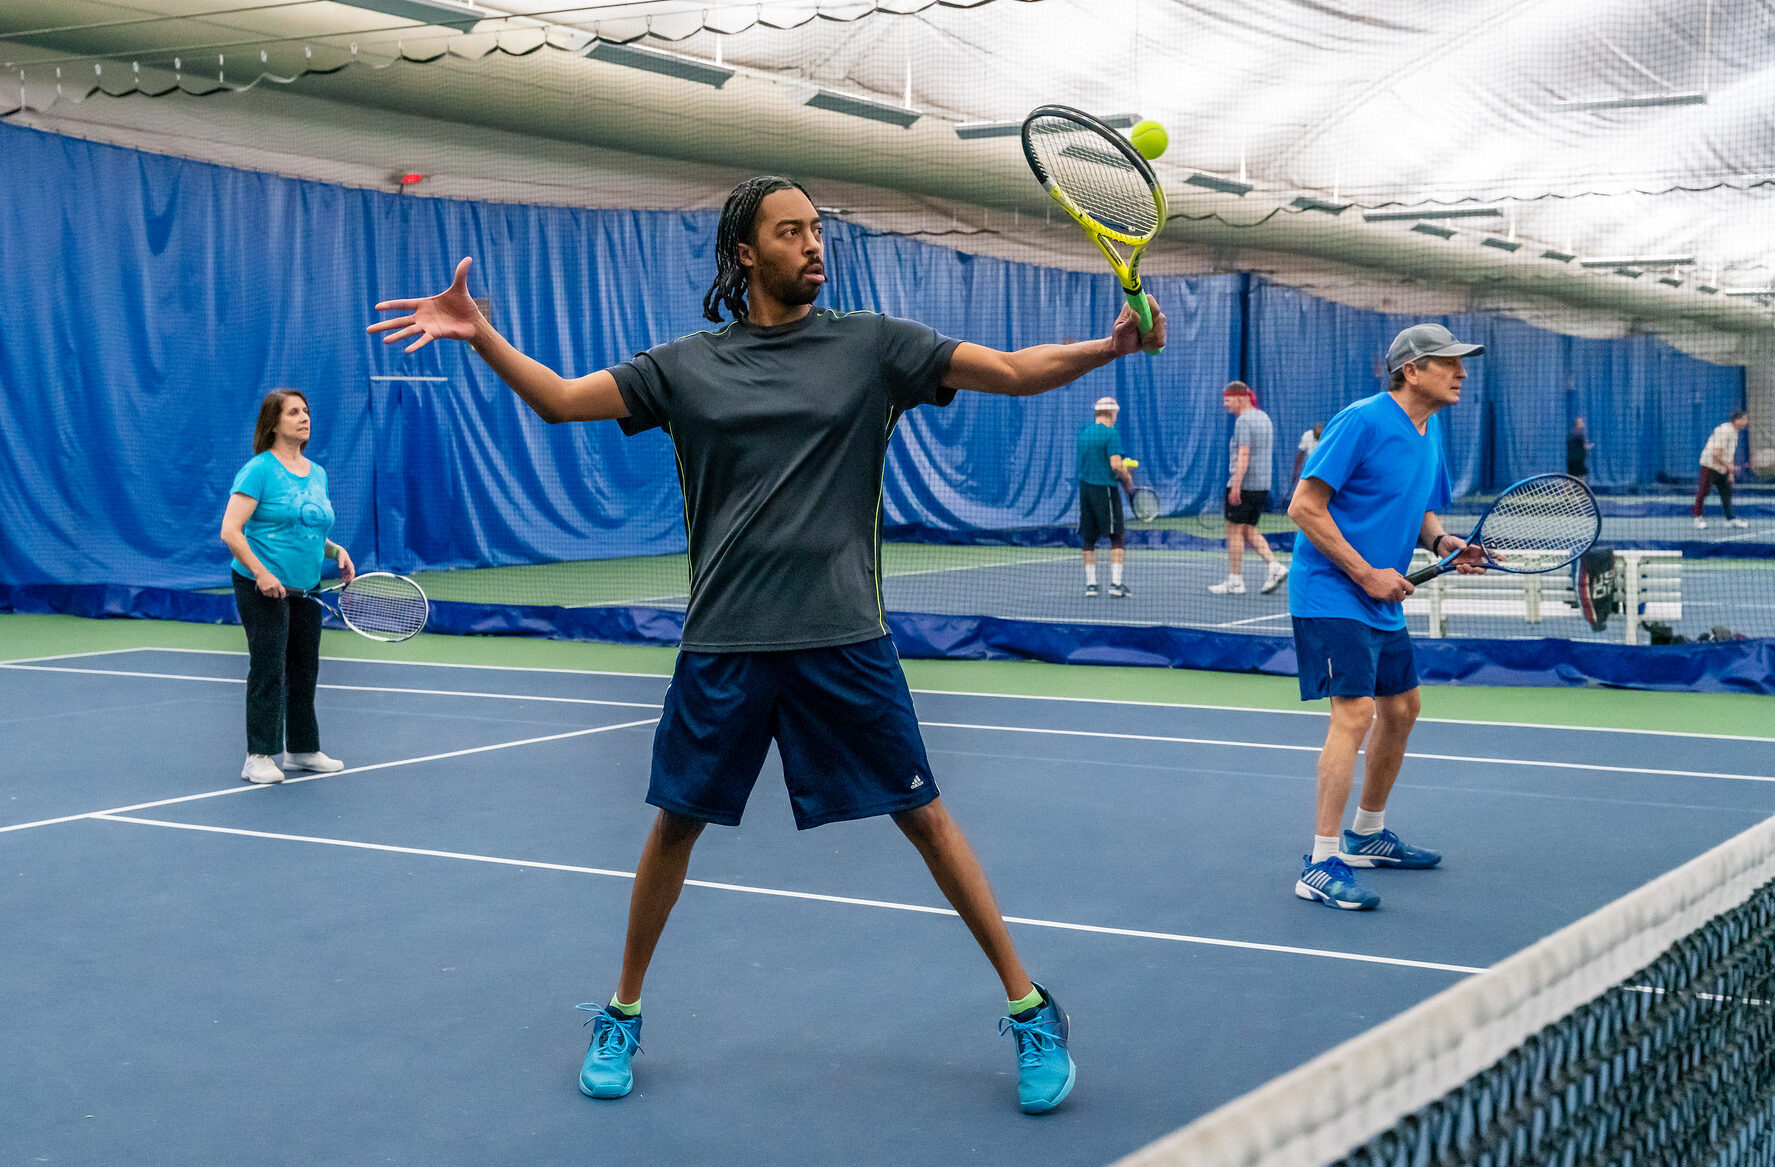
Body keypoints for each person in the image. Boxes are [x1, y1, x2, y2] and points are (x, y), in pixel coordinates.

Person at [368, 176, 1165, 1113]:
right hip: (726, 643)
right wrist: (484, 333)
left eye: (818, 231)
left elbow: (1014, 369)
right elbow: (558, 400)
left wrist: (1108, 346)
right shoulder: (685, 366)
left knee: (925, 817)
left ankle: (1030, 1009)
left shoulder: (873, 348)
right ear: (745, 253)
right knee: (675, 822)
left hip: (843, 637)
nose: (813, 246)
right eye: (791, 233)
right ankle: (620, 1013)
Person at [1286, 323, 1486, 911]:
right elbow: (1304, 505)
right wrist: (1365, 572)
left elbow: (1419, 506)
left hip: (1379, 596)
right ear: (1411, 370)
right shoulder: (1363, 420)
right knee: (1355, 714)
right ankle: (1321, 862)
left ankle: (1367, 835)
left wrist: (1442, 540)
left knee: (1403, 708)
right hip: (1332, 589)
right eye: (1449, 362)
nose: (1462, 372)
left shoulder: (1430, 430)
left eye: (1462, 362)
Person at [218, 390, 354, 785]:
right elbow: (231, 530)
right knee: (269, 668)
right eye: (294, 412)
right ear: (273, 423)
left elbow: (307, 529)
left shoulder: (317, 473)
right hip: (261, 585)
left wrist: (336, 550)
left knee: (304, 669)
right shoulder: (258, 470)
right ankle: (258, 755)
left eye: (306, 411)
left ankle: (302, 749)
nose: (304, 417)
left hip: (307, 588)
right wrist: (261, 573)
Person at [1209, 382, 1288, 596]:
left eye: (1227, 400)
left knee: (1234, 532)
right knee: (1249, 529)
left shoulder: (1243, 421)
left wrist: (1236, 485)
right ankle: (1275, 566)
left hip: (1243, 485)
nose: (1225, 405)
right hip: (1262, 485)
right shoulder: (1264, 418)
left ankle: (1235, 581)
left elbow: (1244, 454)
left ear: (1240, 397)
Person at [1077, 396, 1135, 598]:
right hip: (1105, 491)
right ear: (1112, 413)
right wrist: (1127, 477)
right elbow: (1115, 465)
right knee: (1116, 536)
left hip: (1085, 491)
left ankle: (1091, 585)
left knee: (1088, 538)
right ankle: (1116, 584)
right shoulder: (1111, 435)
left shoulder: (1083, 434)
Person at [1694, 410, 1750, 530]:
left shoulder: (1735, 433)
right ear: (1737, 420)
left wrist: (1730, 473)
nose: (1746, 422)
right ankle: (1698, 518)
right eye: (1745, 419)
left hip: (1722, 467)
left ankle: (1730, 519)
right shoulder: (1724, 430)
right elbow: (1716, 453)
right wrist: (1728, 466)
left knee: (1726, 493)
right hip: (1710, 465)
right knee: (1703, 491)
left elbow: (1730, 455)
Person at [1292, 422, 1323, 492]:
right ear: (1313, 434)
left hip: (1321, 468)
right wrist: (1296, 471)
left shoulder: (1326, 436)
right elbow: (1300, 455)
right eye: (1316, 437)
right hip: (1309, 468)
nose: (1318, 440)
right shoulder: (1307, 435)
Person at [1566, 417, 1592, 481]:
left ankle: (1579, 490)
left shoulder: (1570, 435)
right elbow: (1584, 447)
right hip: (1578, 461)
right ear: (1577, 424)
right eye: (1581, 422)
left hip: (1571, 461)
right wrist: (1588, 447)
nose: (1583, 424)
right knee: (1580, 478)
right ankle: (1581, 490)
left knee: (1571, 478)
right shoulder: (1580, 435)